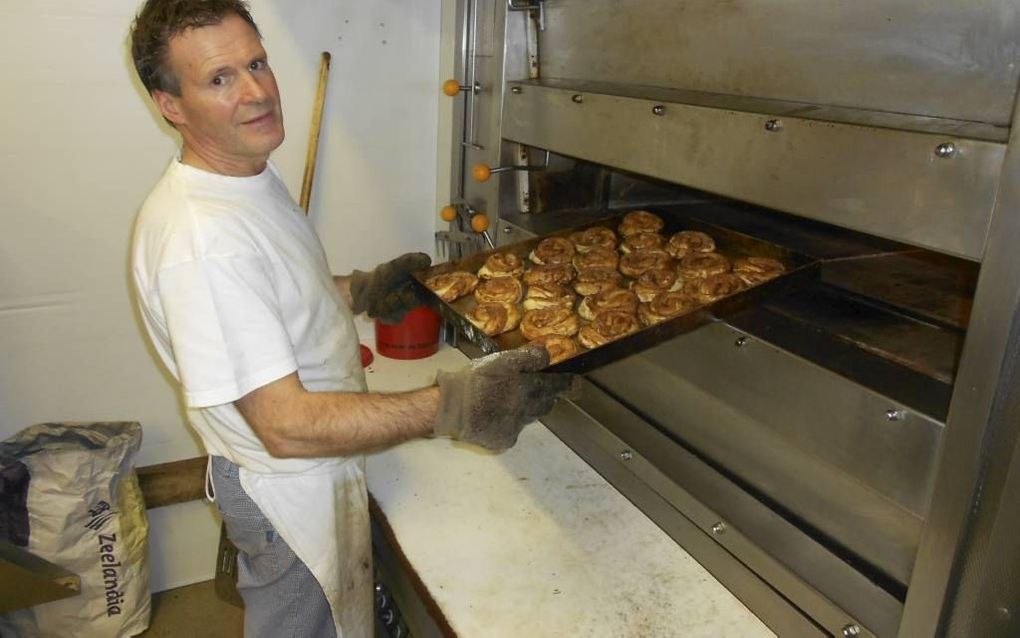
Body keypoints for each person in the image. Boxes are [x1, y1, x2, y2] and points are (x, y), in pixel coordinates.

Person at [127, 2, 576, 636]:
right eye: (219, 78)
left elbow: (275, 295)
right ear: (171, 104)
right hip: (291, 496)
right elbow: (284, 426)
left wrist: (360, 291)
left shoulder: (244, 176)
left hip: (320, 467)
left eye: (256, 62)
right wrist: (454, 405)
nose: (256, 91)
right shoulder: (204, 242)